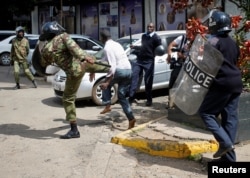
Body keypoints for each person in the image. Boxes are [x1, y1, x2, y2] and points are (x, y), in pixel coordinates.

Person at [39, 21, 110, 139]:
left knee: (67, 99)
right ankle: (120, 68)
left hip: (74, 72)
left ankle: (74, 130)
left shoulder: (46, 49)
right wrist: (86, 58)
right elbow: (75, 49)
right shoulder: (63, 37)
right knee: (105, 67)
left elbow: (42, 64)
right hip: (83, 64)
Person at [198, 11, 243, 162]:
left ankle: (225, 143)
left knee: (206, 113)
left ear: (214, 25)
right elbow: (235, 59)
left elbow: (206, 65)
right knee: (229, 120)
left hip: (221, 84)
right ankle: (229, 162)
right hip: (236, 83)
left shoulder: (213, 41)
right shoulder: (232, 42)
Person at [99, 30, 136, 129]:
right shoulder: (117, 44)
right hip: (128, 70)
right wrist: (98, 62)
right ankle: (131, 118)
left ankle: (107, 104)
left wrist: (107, 82)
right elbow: (106, 58)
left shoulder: (107, 47)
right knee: (121, 96)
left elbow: (112, 66)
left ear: (102, 38)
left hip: (119, 71)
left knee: (105, 83)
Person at [129, 22, 162, 106]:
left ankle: (149, 100)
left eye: (151, 27)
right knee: (134, 77)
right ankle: (131, 98)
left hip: (149, 62)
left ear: (154, 28)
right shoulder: (144, 36)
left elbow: (160, 49)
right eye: (148, 26)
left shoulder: (156, 38)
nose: (149, 28)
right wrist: (134, 47)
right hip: (139, 61)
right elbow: (143, 47)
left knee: (148, 81)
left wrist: (157, 54)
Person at [166, 33, 189, 108]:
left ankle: (182, 105)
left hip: (189, 67)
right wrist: (169, 55)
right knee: (172, 84)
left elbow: (198, 57)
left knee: (185, 87)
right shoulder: (182, 38)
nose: (188, 32)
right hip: (179, 65)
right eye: (187, 29)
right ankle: (171, 103)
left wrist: (184, 56)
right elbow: (171, 45)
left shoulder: (197, 40)